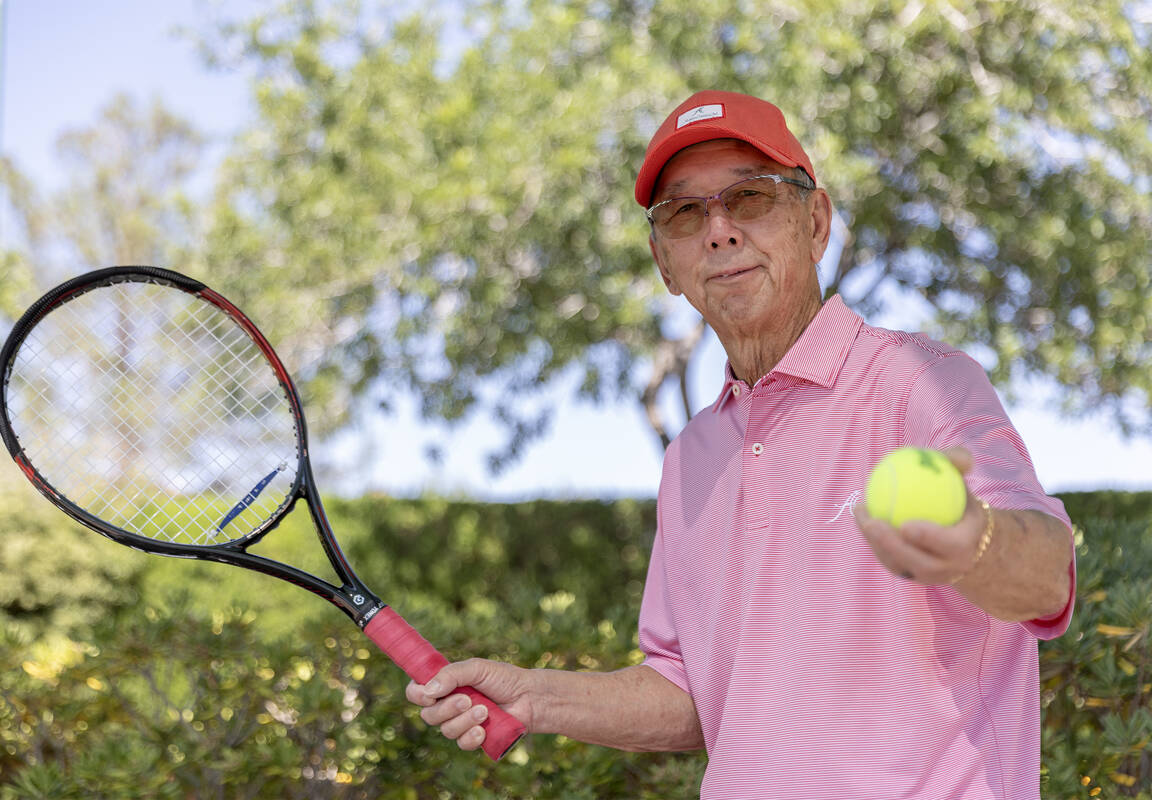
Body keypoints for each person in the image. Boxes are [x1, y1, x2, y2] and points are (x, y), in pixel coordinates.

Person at [405, 90, 1076, 799]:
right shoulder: (690, 457)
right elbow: (696, 689)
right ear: (665, 262)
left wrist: (969, 542)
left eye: (750, 197)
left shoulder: (920, 382)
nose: (719, 230)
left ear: (816, 223)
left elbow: (1047, 579)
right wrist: (535, 699)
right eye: (686, 213)